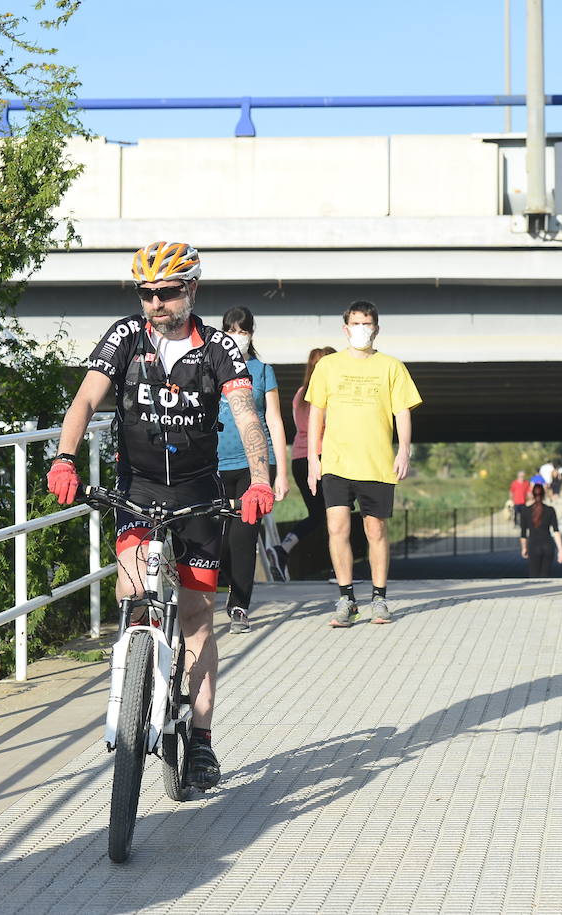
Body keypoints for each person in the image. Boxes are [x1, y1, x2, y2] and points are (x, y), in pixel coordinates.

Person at [47, 241, 275, 790]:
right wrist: (64, 458)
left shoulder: (220, 348)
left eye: (167, 292)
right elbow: (84, 401)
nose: (156, 303)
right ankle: (133, 693)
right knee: (132, 596)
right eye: (146, 293)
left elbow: (247, 418)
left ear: (191, 290)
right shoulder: (125, 337)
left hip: (199, 491)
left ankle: (199, 740)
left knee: (197, 612)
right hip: (139, 487)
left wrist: (261, 478)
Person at [307, 300, 422, 627]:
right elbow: (316, 412)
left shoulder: (392, 367)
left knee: (376, 530)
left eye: (366, 324)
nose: (361, 329)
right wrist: (314, 459)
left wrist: (404, 451)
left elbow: (403, 411)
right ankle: (346, 598)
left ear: (376, 328)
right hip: (336, 462)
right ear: (345, 329)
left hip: (376, 463)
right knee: (337, 528)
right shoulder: (328, 366)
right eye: (355, 324)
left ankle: (379, 597)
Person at [216, 307, 290, 634]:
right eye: (231, 330)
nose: (238, 336)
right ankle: (216, 588)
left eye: (242, 330)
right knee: (215, 538)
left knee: (244, 535)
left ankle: (239, 606)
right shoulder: (210, 367)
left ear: (251, 333)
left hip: (254, 466)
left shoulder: (262, 372)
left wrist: (282, 473)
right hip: (212, 464)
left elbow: (274, 421)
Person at [271, 346, 336, 577]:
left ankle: (283, 548)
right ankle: (338, 570)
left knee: (318, 514)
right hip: (320, 458)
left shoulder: (300, 394)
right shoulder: (326, 394)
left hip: (299, 460)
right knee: (336, 513)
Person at [520, 482, 562, 577]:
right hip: (548, 545)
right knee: (546, 574)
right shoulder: (550, 510)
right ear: (544, 494)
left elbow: (523, 534)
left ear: (532, 494)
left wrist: (524, 548)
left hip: (533, 545)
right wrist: (560, 550)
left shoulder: (525, 511)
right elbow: (556, 531)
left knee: (533, 574)